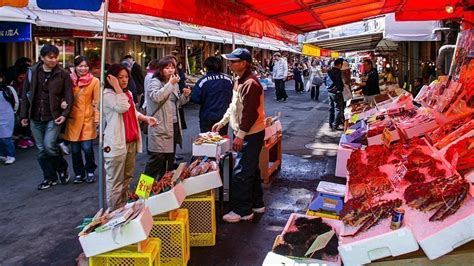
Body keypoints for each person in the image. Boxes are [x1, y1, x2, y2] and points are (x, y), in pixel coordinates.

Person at [212, 48, 266, 223]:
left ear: (244, 63)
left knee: (241, 172)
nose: (230, 64)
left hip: (251, 134)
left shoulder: (251, 83)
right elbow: (234, 106)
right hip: (247, 132)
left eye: (233, 61)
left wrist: (240, 135)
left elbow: (250, 114)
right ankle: (257, 203)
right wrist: (223, 121)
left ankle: (243, 211)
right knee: (251, 170)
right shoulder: (239, 81)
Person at [103, 64, 157, 210]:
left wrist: (145, 118)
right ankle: (114, 211)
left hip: (131, 139)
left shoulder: (128, 94)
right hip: (116, 143)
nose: (124, 80)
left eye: (126, 77)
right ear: (111, 78)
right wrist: (116, 86)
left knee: (127, 178)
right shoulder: (108, 95)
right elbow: (122, 107)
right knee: (115, 180)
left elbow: (132, 112)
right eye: (119, 77)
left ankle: (122, 207)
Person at [20, 44, 73, 190]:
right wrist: (24, 115)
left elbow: (69, 95)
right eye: (50, 57)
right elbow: (25, 95)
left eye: (56, 57)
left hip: (53, 115)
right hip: (35, 115)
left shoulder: (62, 74)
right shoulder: (32, 72)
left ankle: (62, 168)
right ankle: (49, 177)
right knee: (41, 149)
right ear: (42, 58)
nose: (54, 60)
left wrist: (64, 114)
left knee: (49, 145)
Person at [143, 57, 191, 180]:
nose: (170, 70)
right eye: (167, 67)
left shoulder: (172, 83)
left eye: (172, 67)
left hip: (173, 126)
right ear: (160, 69)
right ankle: (142, 194)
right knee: (154, 164)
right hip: (159, 127)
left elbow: (177, 104)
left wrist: (185, 96)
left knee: (168, 164)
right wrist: (171, 84)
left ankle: (161, 192)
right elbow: (156, 97)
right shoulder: (154, 82)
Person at [63, 56, 99, 184]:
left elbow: (96, 101)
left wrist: (97, 118)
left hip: (87, 119)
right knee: (75, 150)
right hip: (72, 119)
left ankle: (90, 170)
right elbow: (64, 95)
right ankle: (79, 173)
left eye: (85, 66)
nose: (83, 68)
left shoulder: (94, 81)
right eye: (80, 66)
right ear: (75, 67)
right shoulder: (69, 80)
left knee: (87, 148)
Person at [191, 56, 233, 135]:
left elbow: (195, 98)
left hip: (207, 116)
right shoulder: (228, 80)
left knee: (208, 142)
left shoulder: (203, 81)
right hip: (224, 116)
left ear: (206, 67)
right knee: (222, 140)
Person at [0, 73, 18, 165]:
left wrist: (14, 112)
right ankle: (2, 154)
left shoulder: (8, 89)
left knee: (6, 137)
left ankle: (11, 155)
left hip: (7, 115)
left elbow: (15, 101)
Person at [327, 58, 345, 130]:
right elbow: (339, 82)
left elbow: (325, 80)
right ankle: (335, 124)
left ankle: (330, 123)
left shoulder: (330, 71)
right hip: (336, 92)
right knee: (338, 108)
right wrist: (340, 89)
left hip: (330, 92)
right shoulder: (338, 71)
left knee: (331, 108)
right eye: (342, 65)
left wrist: (329, 87)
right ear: (340, 64)